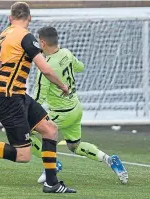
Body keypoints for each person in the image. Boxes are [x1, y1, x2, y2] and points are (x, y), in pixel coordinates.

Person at [0, 2, 76, 194]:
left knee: (50, 130)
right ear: (30, 18)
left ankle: (52, 183)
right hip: (9, 101)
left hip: (17, 96)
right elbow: (44, 69)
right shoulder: (26, 38)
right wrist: (63, 86)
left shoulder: (2, 38)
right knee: (22, 155)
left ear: (10, 18)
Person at [30, 26, 128, 184]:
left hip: (61, 113)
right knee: (74, 146)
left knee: (23, 133)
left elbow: (38, 99)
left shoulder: (46, 68)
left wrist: (23, 114)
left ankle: (52, 164)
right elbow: (80, 67)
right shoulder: (66, 53)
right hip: (76, 109)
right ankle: (110, 160)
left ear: (42, 42)